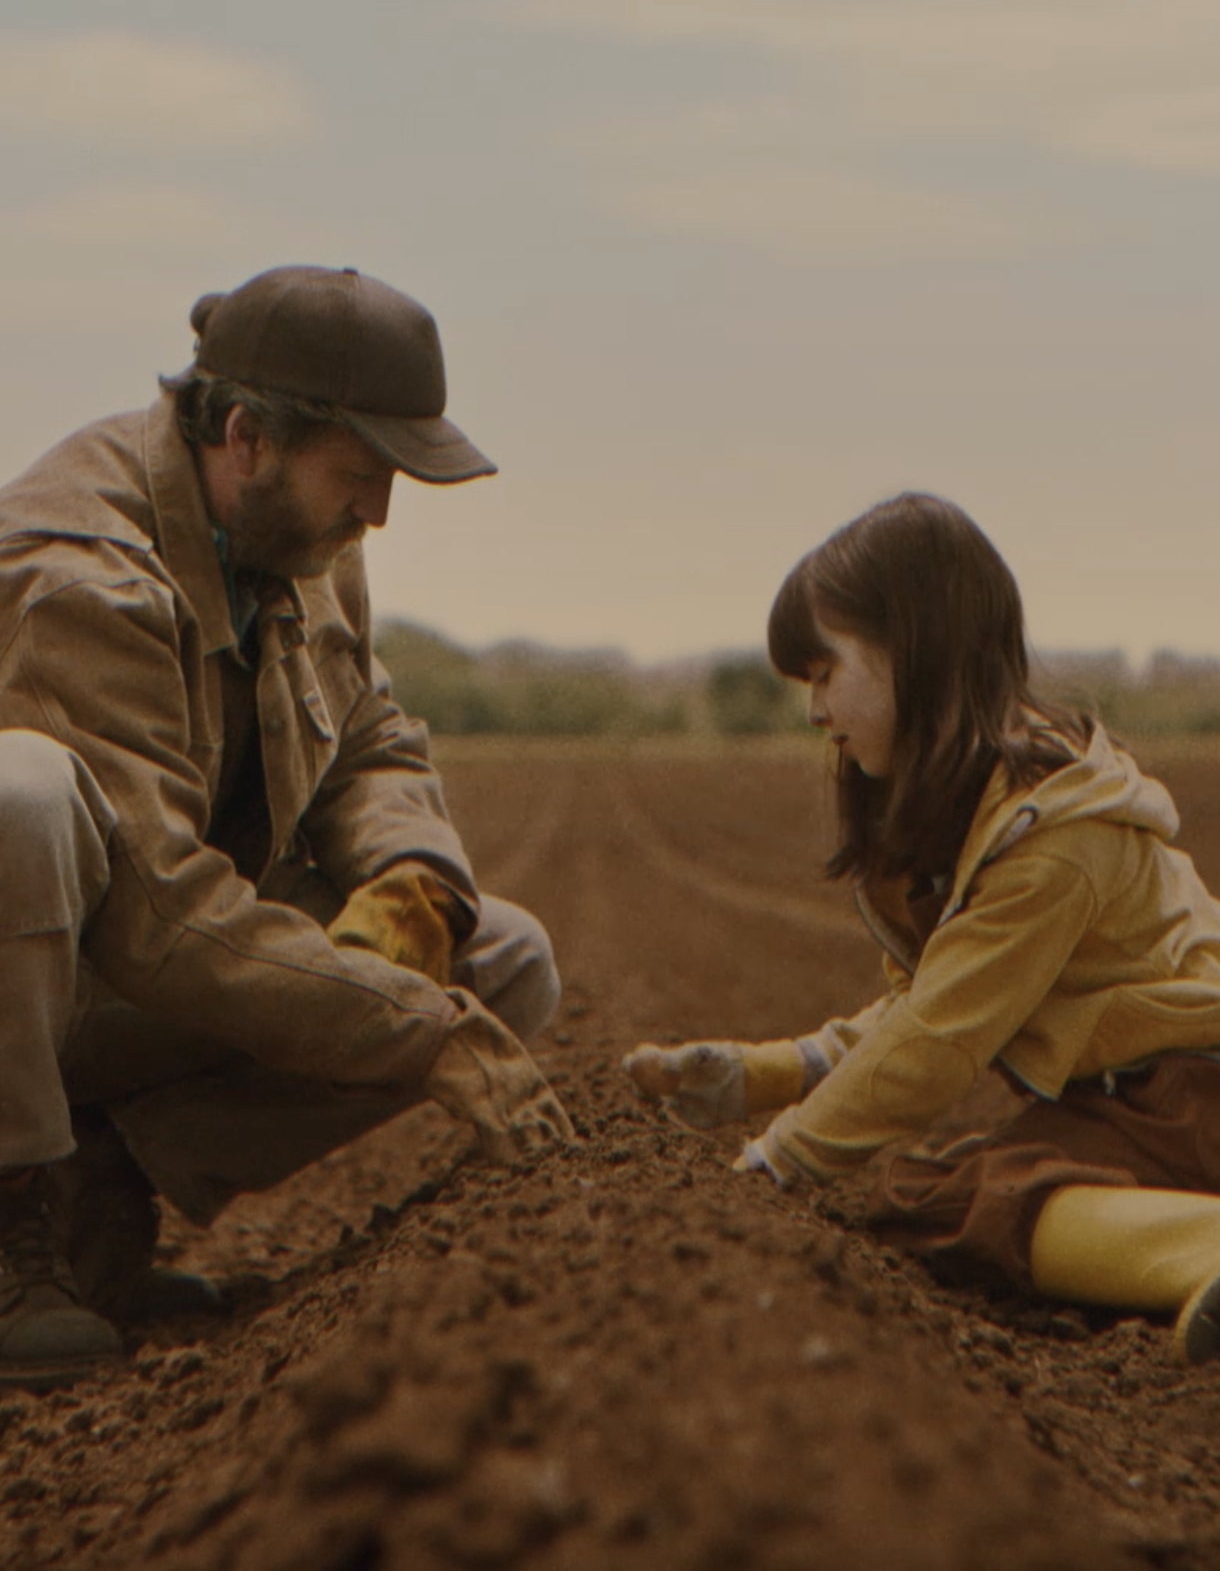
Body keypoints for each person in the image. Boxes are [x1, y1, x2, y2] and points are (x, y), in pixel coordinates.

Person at [0, 264, 572, 1386]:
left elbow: (369, 737)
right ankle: (12, 1211)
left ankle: (96, 1188)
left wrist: (412, 885)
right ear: (249, 438)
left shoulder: (300, 545)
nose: (378, 513)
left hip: (126, 970)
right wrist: (412, 1025)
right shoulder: (80, 574)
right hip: (55, 966)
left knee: (501, 957)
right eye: (360, 475)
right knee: (21, 799)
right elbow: (161, 914)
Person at [625, 492, 1220, 1365]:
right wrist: (770, 1073)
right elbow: (931, 999)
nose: (814, 710)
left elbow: (939, 1036)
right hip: (1148, 1093)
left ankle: (1203, 1253)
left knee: (977, 1193)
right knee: (937, 1193)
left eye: (824, 672)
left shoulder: (1054, 837)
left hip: (1194, 1090)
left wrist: (776, 1161)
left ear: (916, 652)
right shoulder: (990, 809)